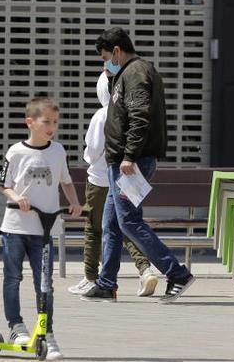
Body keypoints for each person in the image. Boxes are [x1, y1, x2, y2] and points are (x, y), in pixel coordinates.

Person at [81, 27, 195, 303]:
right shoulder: (125, 74)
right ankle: (107, 283)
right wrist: (111, 78)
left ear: (117, 51)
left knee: (129, 222)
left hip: (130, 162)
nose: (104, 63)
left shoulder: (136, 72)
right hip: (121, 163)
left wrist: (130, 156)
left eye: (106, 57)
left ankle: (177, 272)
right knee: (111, 224)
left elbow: (140, 116)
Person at [0, 97, 82, 360]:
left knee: (44, 282)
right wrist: (16, 198)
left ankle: (47, 333)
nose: (51, 126)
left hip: (45, 227)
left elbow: (66, 182)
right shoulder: (15, 152)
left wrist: (75, 203)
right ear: (30, 122)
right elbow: (4, 184)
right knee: (13, 278)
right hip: (16, 226)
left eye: (55, 122)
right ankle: (16, 326)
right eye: (46, 121)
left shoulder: (58, 151)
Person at [69, 72, 158, 298]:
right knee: (129, 226)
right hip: (129, 176)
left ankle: (91, 277)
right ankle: (145, 269)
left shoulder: (102, 115)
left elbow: (93, 149)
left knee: (94, 228)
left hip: (100, 180)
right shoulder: (134, 114)